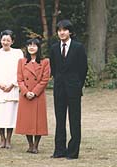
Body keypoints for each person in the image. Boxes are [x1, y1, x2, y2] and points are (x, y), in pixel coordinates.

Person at [50, 19, 88, 159]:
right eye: (59, 30)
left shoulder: (78, 47)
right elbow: (53, 68)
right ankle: (59, 150)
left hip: (74, 88)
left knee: (74, 120)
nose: (62, 32)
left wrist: (78, 85)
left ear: (70, 32)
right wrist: (58, 81)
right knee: (60, 120)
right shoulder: (54, 48)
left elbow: (83, 68)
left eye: (64, 30)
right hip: (59, 88)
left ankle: (72, 152)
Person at [0, 30, 23, 149]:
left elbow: (20, 70)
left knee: (10, 115)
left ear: (12, 41)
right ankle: (2, 139)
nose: (5, 42)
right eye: (4, 39)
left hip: (12, 88)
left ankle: (9, 139)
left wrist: (12, 84)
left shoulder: (18, 53)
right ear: (0, 40)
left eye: (8, 40)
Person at [15, 38, 50, 154]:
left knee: (39, 121)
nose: (31, 47)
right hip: (25, 95)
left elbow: (45, 80)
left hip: (38, 96)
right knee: (27, 121)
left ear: (38, 48)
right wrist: (26, 92)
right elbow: (19, 79)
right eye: (29, 45)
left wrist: (34, 92)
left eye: (34, 45)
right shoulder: (22, 61)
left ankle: (36, 145)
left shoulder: (45, 62)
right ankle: (30, 145)